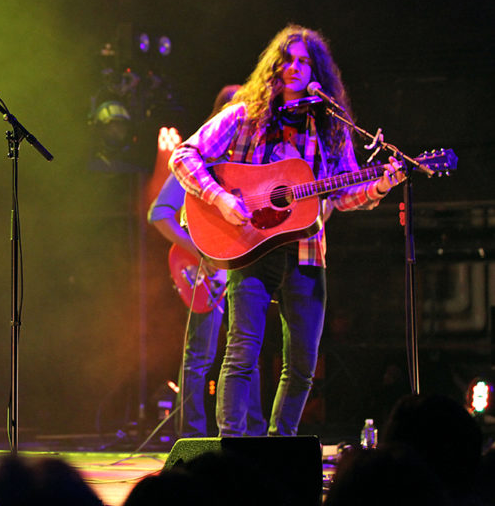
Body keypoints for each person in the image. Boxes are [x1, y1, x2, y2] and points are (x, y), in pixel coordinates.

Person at [169, 25, 405, 436]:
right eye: (287, 61)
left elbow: (344, 193)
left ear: (317, 73)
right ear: (275, 69)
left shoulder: (330, 126)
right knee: (241, 354)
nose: (294, 68)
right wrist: (221, 199)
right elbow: (184, 154)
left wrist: (379, 186)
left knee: (302, 363)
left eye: (303, 62)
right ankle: (233, 448)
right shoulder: (245, 114)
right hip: (249, 248)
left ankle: (281, 447)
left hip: (308, 251)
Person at [148, 85, 266, 437]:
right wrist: (199, 251)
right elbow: (159, 213)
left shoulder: (250, 166)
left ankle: (253, 433)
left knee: (248, 354)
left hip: (240, 269)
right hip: (207, 273)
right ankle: (193, 437)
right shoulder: (200, 163)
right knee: (200, 356)